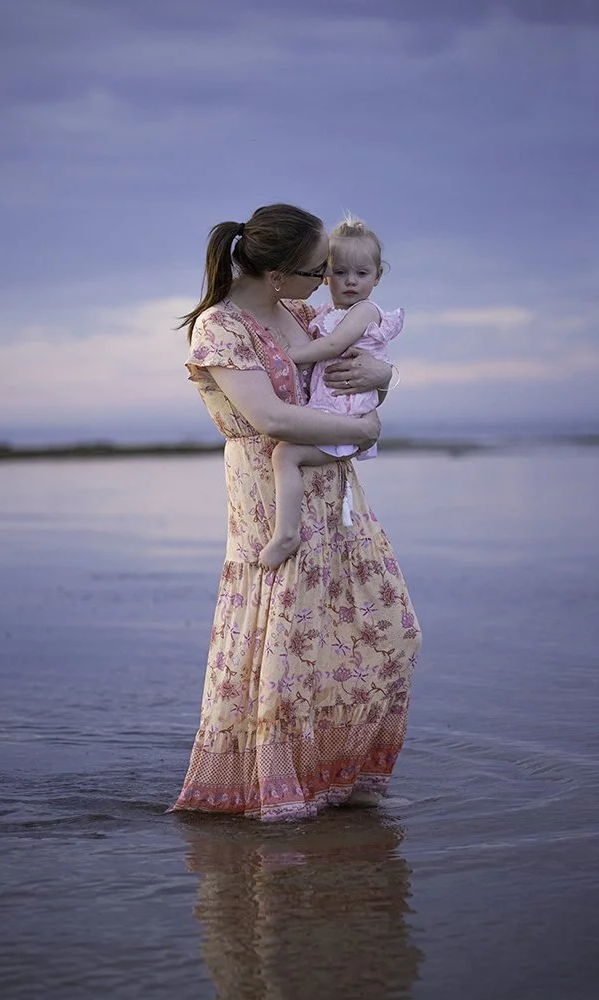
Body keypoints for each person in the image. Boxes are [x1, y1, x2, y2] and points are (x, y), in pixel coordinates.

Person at [170, 203, 421, 822]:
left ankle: (344, 775)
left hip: (334, 496)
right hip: (268, 492)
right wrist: (360, 427)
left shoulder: (304, 313)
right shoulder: (220, 329)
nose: (330, 281)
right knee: (285, 647)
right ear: (278, 273)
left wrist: (384, 374)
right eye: (318, 270)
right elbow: (271, 418)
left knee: (391, 634)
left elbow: (354, 365)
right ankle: (275, 788)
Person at [258, 215, 404, 570]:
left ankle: (285, 534)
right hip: (334, 410)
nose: (351, 281)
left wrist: (286, 356)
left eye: (362, 273)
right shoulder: (323, 312)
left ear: (377, 277)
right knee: (287, 456)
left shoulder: (364, 311)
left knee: (285, 456)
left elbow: (333, 346)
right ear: (325, 274)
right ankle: (288, 531)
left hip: (343, 414)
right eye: (340, 273)